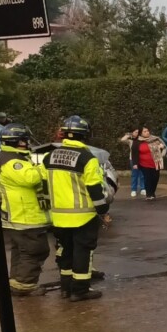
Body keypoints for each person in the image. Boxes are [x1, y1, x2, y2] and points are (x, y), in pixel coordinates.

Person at [41, 115, 110, 302]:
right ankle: (80, 290)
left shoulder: (49, 157)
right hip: (83, 216)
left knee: (65, 250)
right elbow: (95, 189)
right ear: (85, 135)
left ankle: (65, 287)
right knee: (82, 252)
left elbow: (45, 185)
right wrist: (103, 212)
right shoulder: (88, 158)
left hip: (58, 216)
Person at [0, 123, 52, 297]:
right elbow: (31, 178)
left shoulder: (10, 157)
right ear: (17, 141)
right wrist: (44, 165)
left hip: (19, 216)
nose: (27, 143)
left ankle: (17, 281)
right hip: (25, 217)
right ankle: (26, 285)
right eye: (24, 140)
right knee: (36, 249)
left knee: (22, 251)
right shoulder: (13, 162)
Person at [132, 127, 167, 201]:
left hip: (156, 162)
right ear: (141, 133)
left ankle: (152, 192)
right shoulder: (137, 142)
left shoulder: (155, 139)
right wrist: (135, 163)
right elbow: (134, 153)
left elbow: (164, 147)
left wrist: (161, 147)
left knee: (155, 178)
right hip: (144, 163)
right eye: (145, 131)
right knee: (147, 178)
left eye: (148, 131)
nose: (147, 132)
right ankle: (149, 194)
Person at [120, 129, 146, 198]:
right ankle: (133, 189)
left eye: (138, 132)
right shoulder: (131, 141)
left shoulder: (142, 140)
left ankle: (143, 188)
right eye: (135, 132)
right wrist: (129, 134)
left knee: (142, 174)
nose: (137, 133)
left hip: (142, 159)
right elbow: (122, 140)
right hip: (133, 160)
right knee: (135, 175)